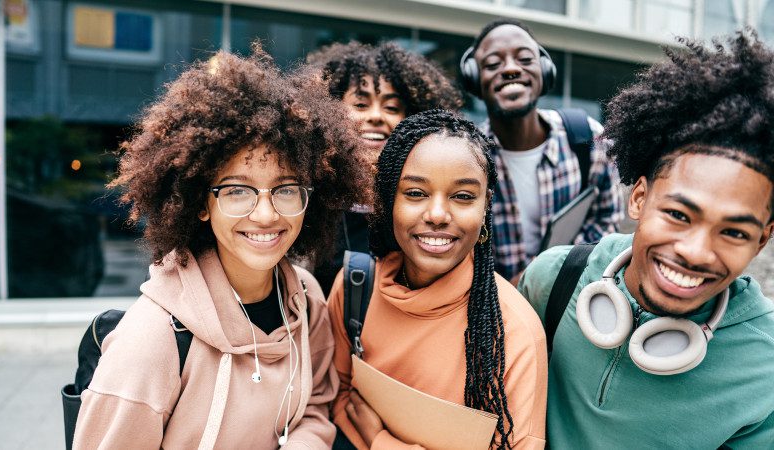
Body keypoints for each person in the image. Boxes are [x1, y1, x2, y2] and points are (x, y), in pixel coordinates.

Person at [73, 49, 370, 449]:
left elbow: (315, 406)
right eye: (236, 190)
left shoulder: (306, 299)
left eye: (285, 189)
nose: (265, 214)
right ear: (198, 202)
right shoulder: (151, 343)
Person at [517, 31, 774, 448]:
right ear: (638, 198)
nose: (694, 252)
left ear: (761, 241)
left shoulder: (766, 368)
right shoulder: (554, 278)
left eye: (734, 232)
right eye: (677, 214)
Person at [328, 110, 547, 449]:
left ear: (486, 205)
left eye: (462, 196)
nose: (437, 215)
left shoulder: (515, 333)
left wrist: (379, 441)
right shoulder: (357, 287)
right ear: (388, 200)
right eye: (415, 193)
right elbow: (336, 396)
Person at [462, 18, 623, 283]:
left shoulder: (586, 139)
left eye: (525, 59)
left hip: (567, 298)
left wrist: (551, 271)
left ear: (545, 70)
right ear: (474, 78)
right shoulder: (468, 155)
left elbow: (607, 220)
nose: (511, 69)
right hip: (495, 308)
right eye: (493, 64)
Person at [305, 41, 464, 295]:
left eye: (391, 107)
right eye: (360, 105)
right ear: (329, 112)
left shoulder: (425, 206)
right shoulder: (310, 203)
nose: (376, 116)